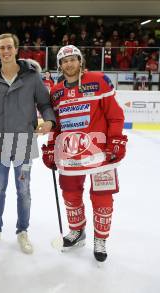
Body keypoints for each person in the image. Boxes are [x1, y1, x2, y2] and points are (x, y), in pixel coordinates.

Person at [41, 45, 127, 263]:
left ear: (80, 60)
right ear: (59, 65)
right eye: (64, 61)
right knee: (70, 194)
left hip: (101, 154)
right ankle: (77, 231)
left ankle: (101, 239)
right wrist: (51, 147)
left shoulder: (99, 80)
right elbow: (55, 125)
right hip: (70, 154)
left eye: (73, 59)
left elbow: (115, 116)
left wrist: (116, 140)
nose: (69, 64)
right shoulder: (56, 91)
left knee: (103, 198)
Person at [0, 33, 56, 254]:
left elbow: (44, 103)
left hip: (24, 142)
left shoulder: (31, 77)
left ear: (16, 49)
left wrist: (49, 120)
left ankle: (22, 231)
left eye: (9, 47)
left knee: (23, 190)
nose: (5, 51)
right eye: (1, 48)